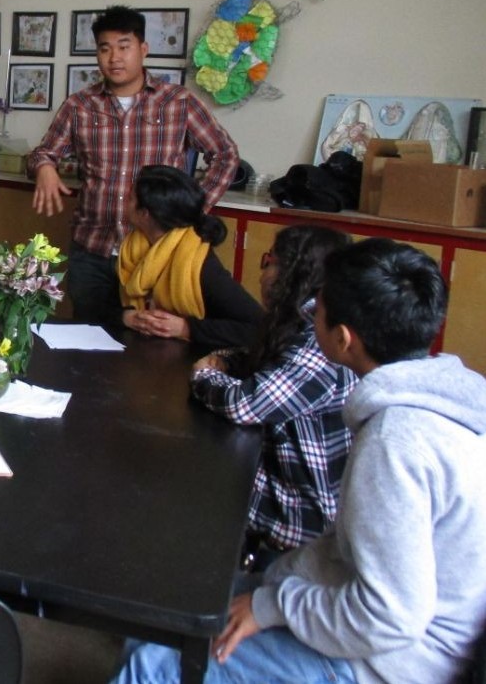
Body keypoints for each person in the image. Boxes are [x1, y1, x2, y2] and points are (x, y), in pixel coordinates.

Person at [112, 238, 486, 684]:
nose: (308, 314)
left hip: (393, 659)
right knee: (171, 617)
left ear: (344, 339)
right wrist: (277, 584)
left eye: (318, 308)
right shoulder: (442, 390)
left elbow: (390, 617)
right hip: (350, 602)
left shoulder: (396, 440)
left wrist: (270, 605)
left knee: (154, 665)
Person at [29, 5, 239, 327]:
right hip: (93, 250)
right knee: (88, 336)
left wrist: (191, 209)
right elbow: (44, 152)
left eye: (124, 46)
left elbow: (225, 154)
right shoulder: (80, 105)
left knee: (152, 343)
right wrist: (44, 167)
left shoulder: (177, 102)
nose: (114, 57)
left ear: (143, 49)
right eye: (105, 48)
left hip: (156, 252)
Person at [190, 225, 356, 562]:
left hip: (302, 521)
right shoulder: (301, 320)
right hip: (287, 483)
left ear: (293, 273)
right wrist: (227, 359)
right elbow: (262, 359)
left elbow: (243, 404)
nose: (263, 272)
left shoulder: (317, 340)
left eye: (269, 261)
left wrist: (204, 373)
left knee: (183, 482)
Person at [118, 165, 261, 349]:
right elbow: (105, 306)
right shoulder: (133, 248)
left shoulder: (201, 267)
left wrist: (185, 328)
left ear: (145, 214)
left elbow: (260, 328)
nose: (123, 203)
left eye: (130, 198)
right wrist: (128, 317)